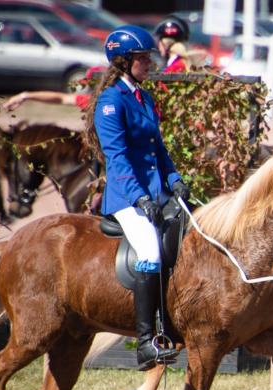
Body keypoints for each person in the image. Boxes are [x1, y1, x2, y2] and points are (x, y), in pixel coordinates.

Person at [84, 25, 191, 371]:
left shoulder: (144, 98)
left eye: (148, 57)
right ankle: (147, 342)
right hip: (127, 198)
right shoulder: (111, 102)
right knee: (150, 251)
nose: (149, 63)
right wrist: (139, 198)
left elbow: (158, 150)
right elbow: (117, 159)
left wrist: (175, 180)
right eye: (142, 58)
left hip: (156, 193)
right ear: (123, 61)